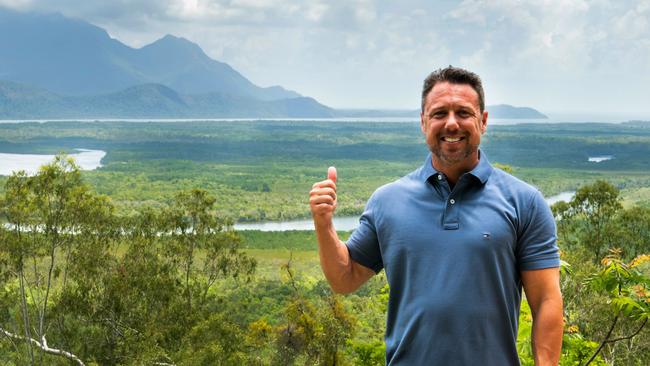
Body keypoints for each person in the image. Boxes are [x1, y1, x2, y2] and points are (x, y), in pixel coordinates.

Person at [309, 66, 563, 365]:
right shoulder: (387, 201)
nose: (451, 124)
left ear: (483, 121)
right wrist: (323, 223)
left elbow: (546, 300)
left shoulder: (524, 202)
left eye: (464, 113)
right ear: (423, 122)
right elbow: (345, 278)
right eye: (440, 113)